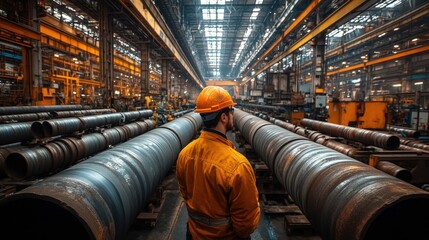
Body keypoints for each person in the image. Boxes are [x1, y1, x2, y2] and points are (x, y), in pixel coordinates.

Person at [176, 86, 260, 239]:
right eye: (231, 111)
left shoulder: (185, 154)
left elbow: (185, 194)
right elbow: (246, 223)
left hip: (194, 234)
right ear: (223, 117)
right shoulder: (237, 165)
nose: (233, 115)